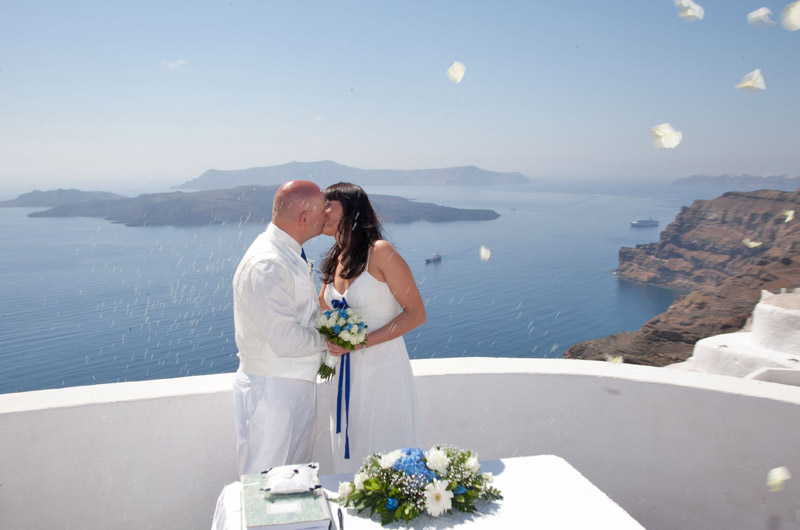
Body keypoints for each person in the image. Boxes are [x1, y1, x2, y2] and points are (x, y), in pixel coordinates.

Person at [319, 182, 426, 473]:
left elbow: (416, 314)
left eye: (329, 203)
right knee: (351, 441)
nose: (322, 209)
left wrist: (359, 341)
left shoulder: (379, 252)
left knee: (384, 447)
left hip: (383, 370)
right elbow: (324, 306)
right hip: (346, 372)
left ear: (351, 209)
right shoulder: (335, 258)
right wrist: (335, 335)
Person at [231, 180, 328, 476]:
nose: (326, 216)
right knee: (265, 481)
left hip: (293, 385)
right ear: (304, 219)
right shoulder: (268, 264)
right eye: (322, 211)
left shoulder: (287, 253)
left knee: (294, 480)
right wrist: (331, 339)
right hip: (272, 391)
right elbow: (285, 340)